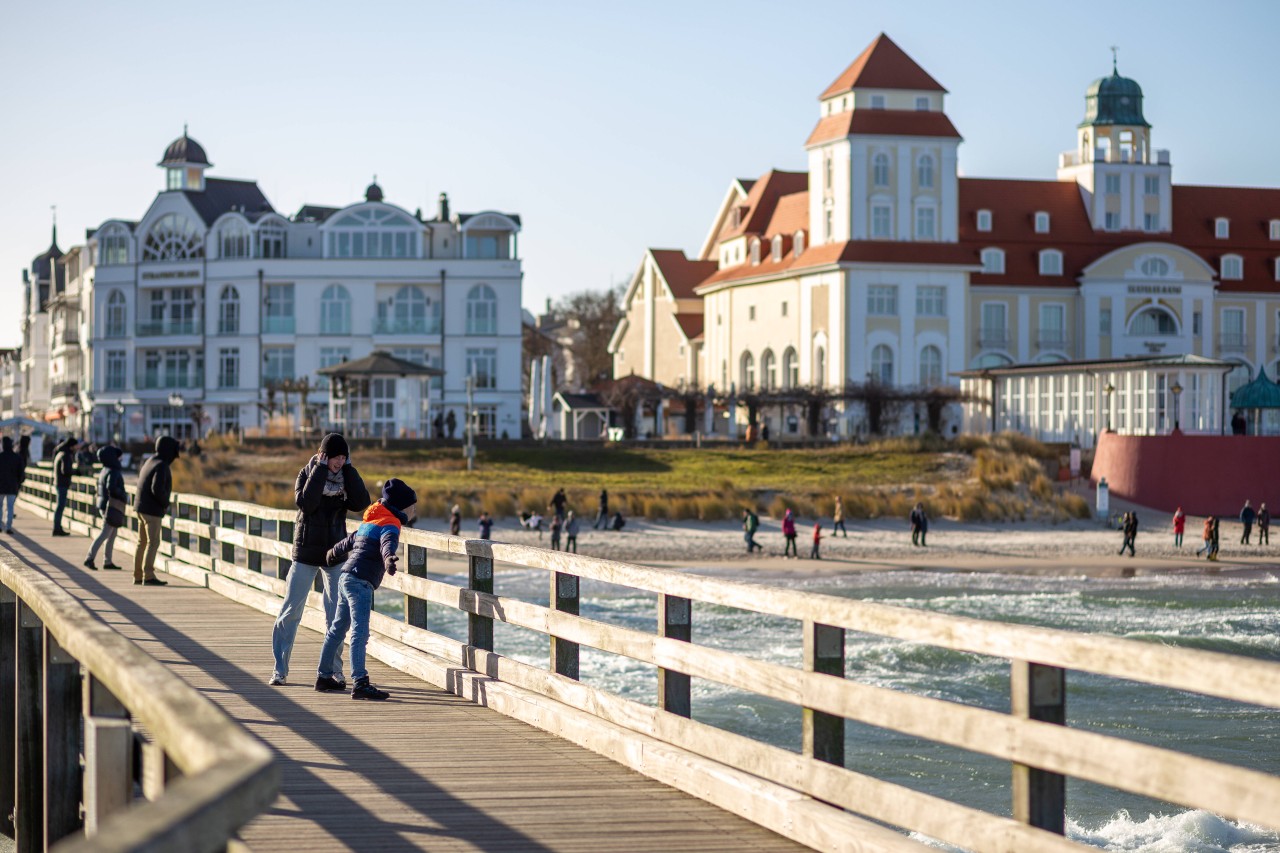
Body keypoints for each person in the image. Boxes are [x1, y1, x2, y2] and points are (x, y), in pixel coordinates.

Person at [270, 434, 371, 688]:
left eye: (343, 457)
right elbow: (306, 503)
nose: (339, 461)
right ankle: (280, 670)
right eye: (335, 456)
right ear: (323, 454)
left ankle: (333, 671)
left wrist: (349, 470)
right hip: (305, 552)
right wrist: (320, 469)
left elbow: (362, 502)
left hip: (335, 553)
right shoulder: (307, 473)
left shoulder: (345, 476)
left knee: (335, 615)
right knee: (290, 612)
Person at [316, 478, 417, 701]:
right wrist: (389, 559)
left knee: (337, 629)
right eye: (413, 506)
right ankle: (360, 682)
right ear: (402, 507)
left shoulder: (371, 521)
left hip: (346, 577)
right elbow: (387, 544)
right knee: (360, 633)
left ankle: (323, 676)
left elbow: (351, 540)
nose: (414, 510)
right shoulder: (391, 524)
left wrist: (333, 552)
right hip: (360, 582)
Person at [134, 436, 180, 587]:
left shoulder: (150, 461)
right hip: (151, 510)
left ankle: (138, 575)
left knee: (142, 542)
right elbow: (157, 489)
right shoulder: (162, 466)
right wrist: (165, 504)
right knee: (153, 542)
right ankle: (148, 575)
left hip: (140, 507)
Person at [84, 445, 127, 571]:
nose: (120, 459)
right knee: (105, 533)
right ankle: (89, 558)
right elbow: (111, 488)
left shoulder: (105, 469)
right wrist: (123, 494)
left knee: (112, 533)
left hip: (104, 504)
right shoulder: (113, 471)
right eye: (118, 457)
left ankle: (108, 561)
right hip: (110, 506)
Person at [52, 436, 80, 536]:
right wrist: (76, 472)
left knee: (59, 506)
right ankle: (57, 528)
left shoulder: (60, 453)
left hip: (59, 482)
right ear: (72, 446)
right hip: (62, 484)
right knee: (60, 506)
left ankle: (57, 527)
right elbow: (65, 470)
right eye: (76, 445)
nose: (77, 447)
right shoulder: (66, 455)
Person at [0, 437, 25, 534]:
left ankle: (0, 526)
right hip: (12, 485)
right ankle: (8, 527)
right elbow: (21, 472)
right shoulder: (17, 457)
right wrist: (19, 482)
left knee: (0, 506)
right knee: (10, 507)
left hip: (0, 486)